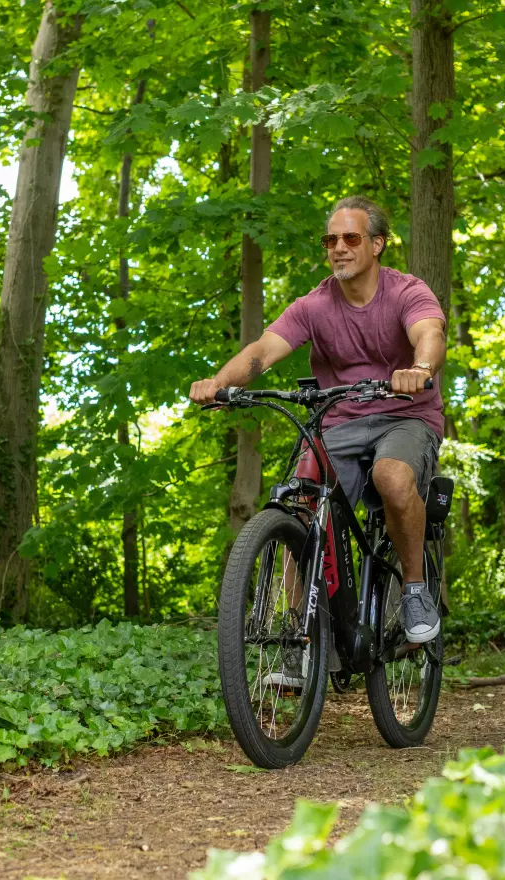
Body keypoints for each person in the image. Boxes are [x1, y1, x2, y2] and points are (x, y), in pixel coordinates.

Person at [189, 196, 446, 643]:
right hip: (339, 421)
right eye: (331, 239)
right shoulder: (314, 304)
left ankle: (414, 587)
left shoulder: (406, 291)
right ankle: (297, 638)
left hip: (405, 417)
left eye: (351, 237)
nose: (339, 247)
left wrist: (420, 370)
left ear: (377, 244)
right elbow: (262, 351)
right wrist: (220, 383)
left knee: (392, 476)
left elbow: (429, 334)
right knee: (299, 508)